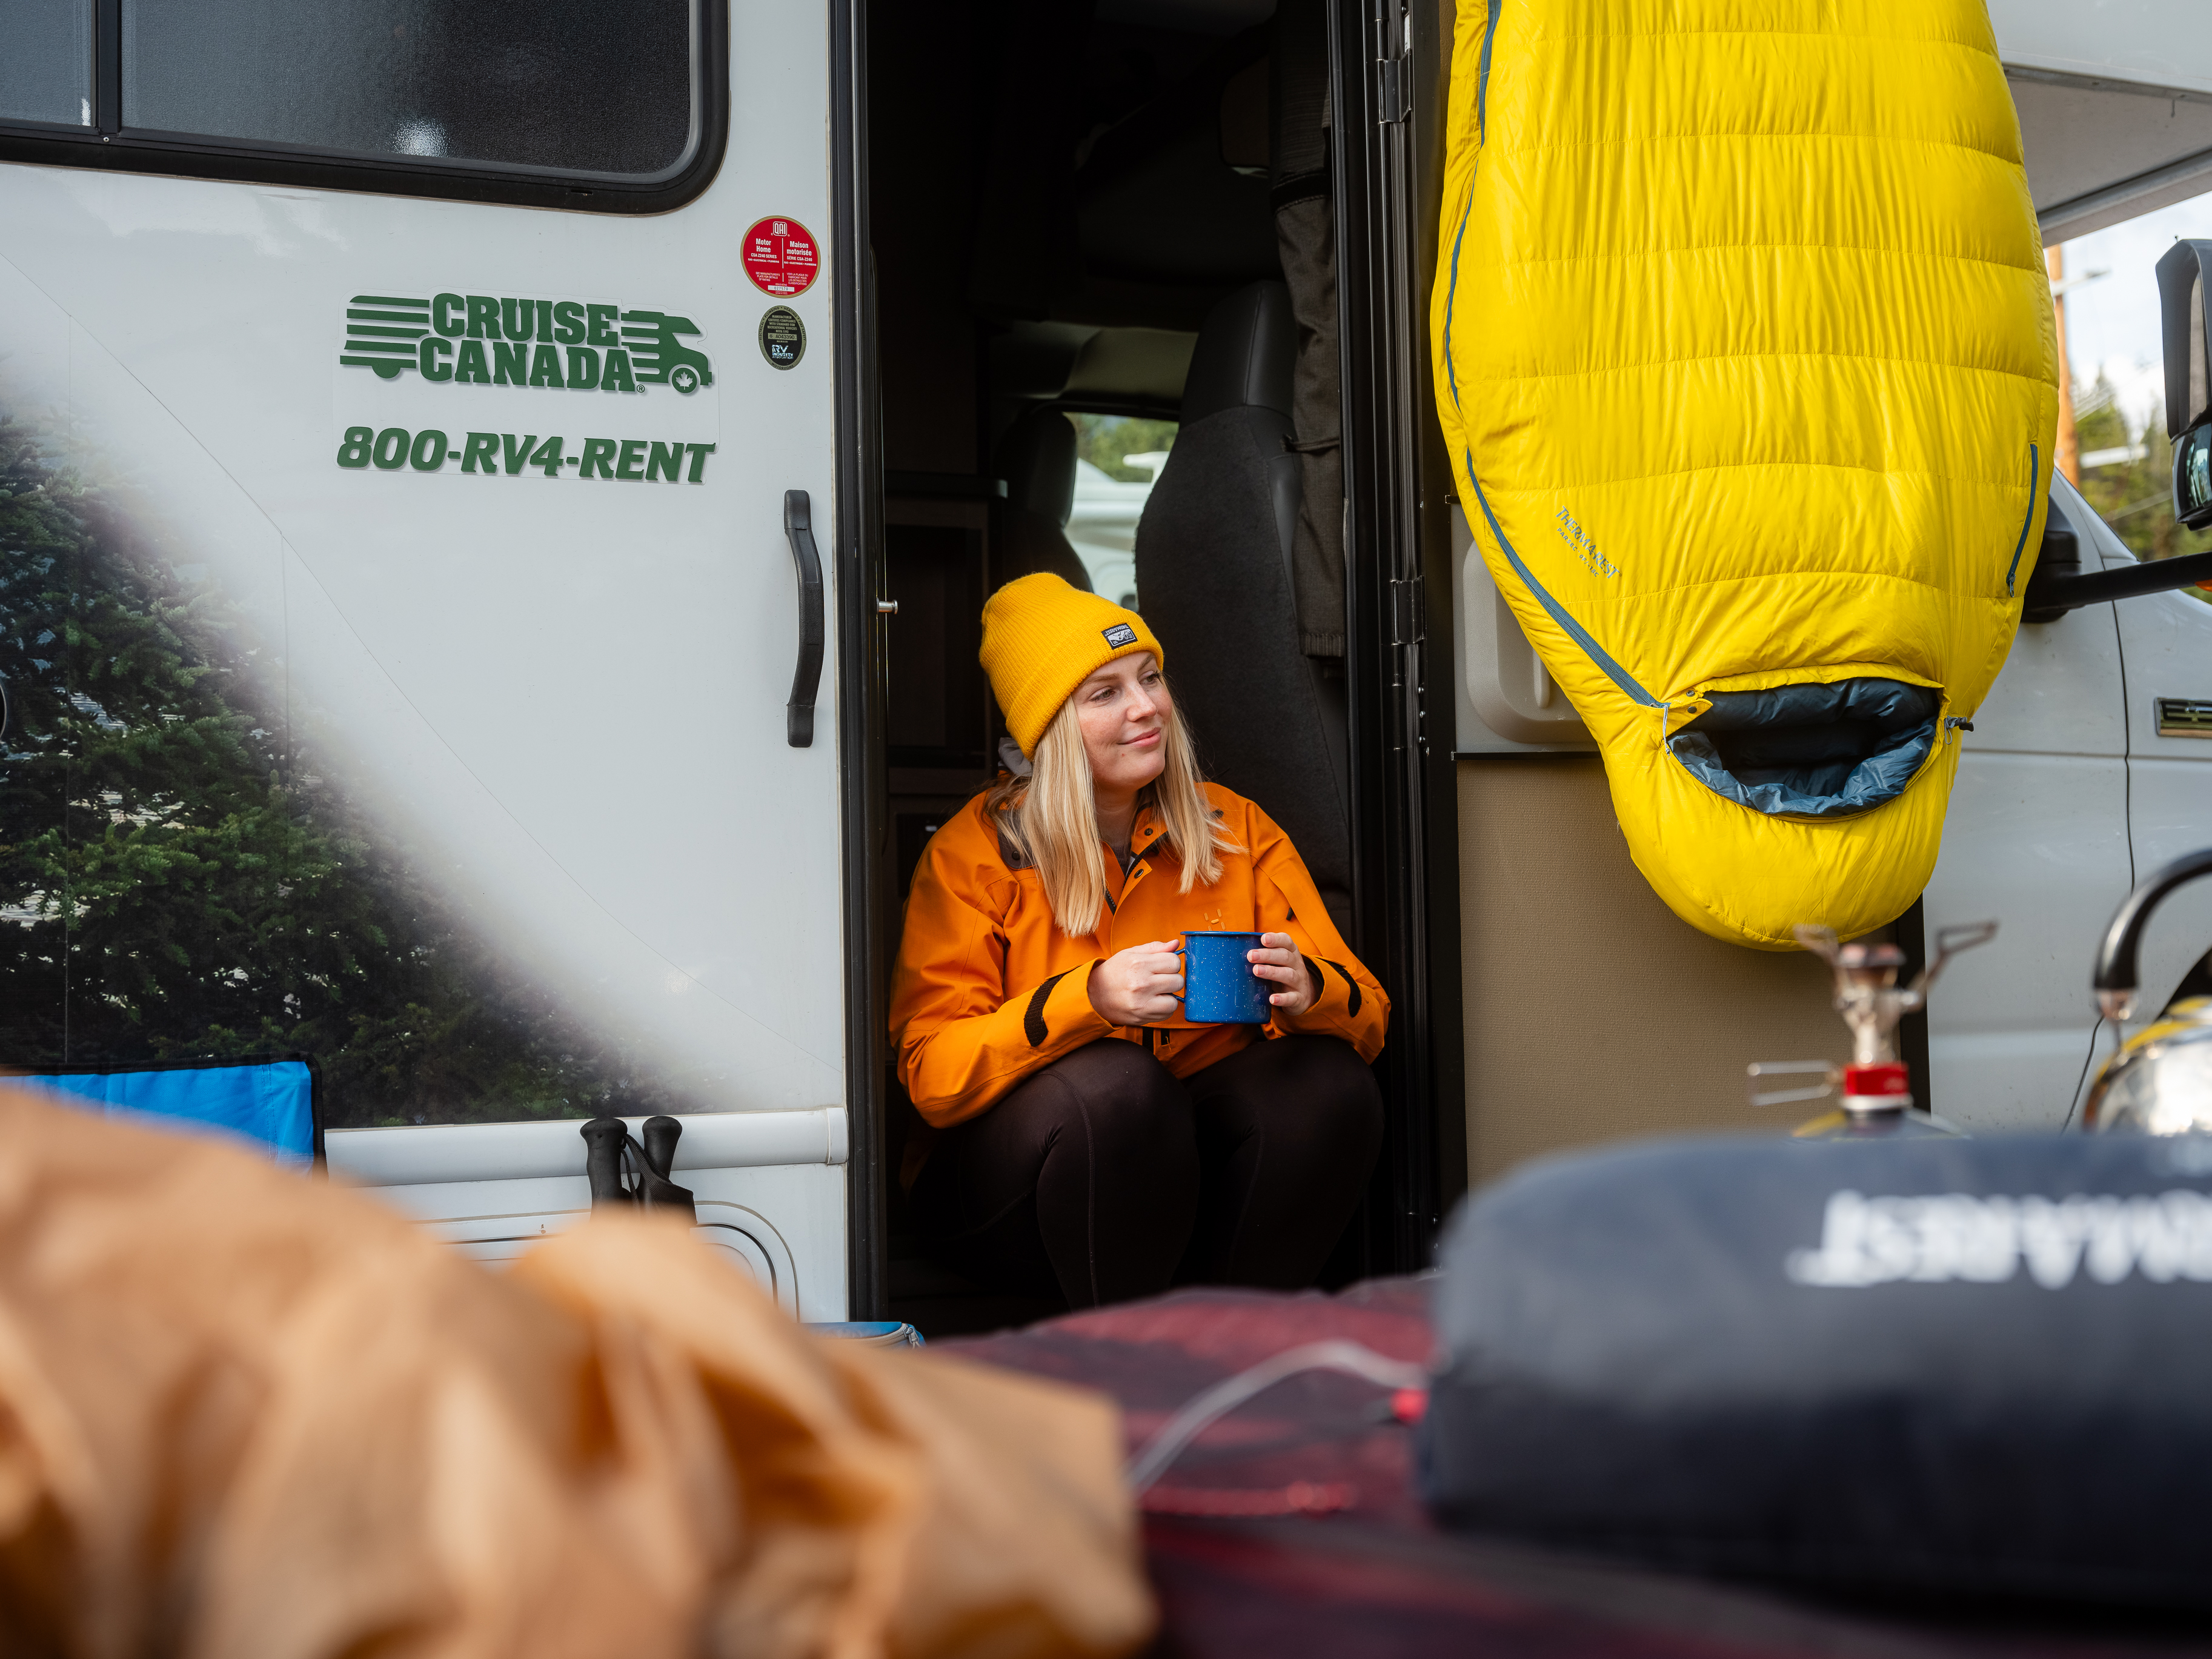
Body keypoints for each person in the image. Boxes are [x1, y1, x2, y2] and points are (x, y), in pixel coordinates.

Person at [890, 573, 1387, 1311]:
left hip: (1181, 1169)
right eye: (1106, 692)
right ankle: (1126, 1366)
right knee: (1118, 1088)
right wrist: (1085, 999)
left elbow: (1371, 1018)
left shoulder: (1236, 826)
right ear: (1049, 727)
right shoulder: (978, 854)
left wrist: (1310, 990)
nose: (1147, 706)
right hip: (1015, 1186)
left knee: (1327, 1081)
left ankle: (1228, 1351)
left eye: (1149, 678)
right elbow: (932, 1079)